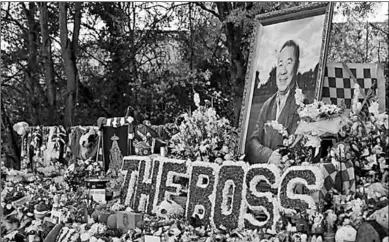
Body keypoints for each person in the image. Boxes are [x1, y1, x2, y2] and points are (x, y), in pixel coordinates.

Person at [246, 40, 306, 165]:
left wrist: (281, 158)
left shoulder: (303, 105)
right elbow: (252, 143)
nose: (282, 71)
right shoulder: (268, 104)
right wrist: (268, 156)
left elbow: (299, 146)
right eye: (280, 64)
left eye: (289, 63)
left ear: (297, 66)